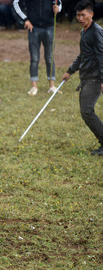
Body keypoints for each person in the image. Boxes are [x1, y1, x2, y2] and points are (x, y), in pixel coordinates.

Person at [62, 0, 103, 156]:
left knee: (87, 111)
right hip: (86, 77)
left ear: (91, 14)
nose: (80, 18)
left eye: (83, 15)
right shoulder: (84, 31)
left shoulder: (96, 32)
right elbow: (83, 55)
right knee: (86, 111)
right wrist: (70, 71)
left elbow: (101, 55)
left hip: (95, 78)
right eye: (78, 15)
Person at [14, 0, 61, 96]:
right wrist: (25, 19)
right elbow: (16, 3)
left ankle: (52, 86)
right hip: (33, 27)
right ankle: (34, 86)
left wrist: (58, 9)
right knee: (34, 58)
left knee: (50, 57)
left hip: (49, 27)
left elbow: (59, 2)